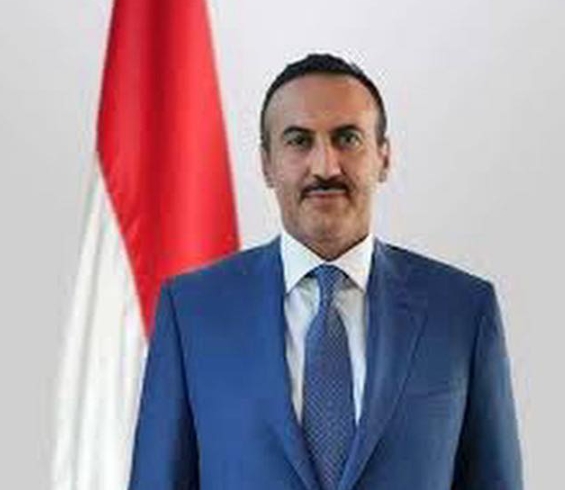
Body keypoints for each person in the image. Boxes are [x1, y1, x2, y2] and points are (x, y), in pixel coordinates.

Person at [128, 53, 523, 490]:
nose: (325, 167)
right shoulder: (193, 312)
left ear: (384, 157)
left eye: (347, 138)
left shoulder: (462, 312)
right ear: (266, 164)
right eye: (299, 141)